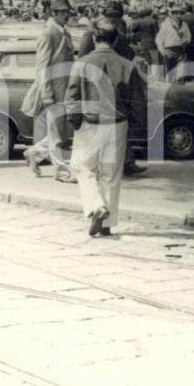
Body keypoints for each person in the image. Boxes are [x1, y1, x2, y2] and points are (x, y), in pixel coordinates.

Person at [65, 17, 145, 237]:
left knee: (81, 166)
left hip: (90, 123)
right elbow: (138, 103)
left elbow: (71, 96)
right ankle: (107, 223)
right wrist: (137, 129)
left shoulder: (81, 63)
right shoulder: (128, 65)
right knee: (111, 174)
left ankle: (95, 206)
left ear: (95, 37)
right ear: (116, 39)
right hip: (118, 124)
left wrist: (75, 122)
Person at [78, 0, 144, 176]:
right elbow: (82, 61)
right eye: (110, 16)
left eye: (117, 16)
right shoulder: (92, 34)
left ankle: (126, 161)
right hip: (96, 87)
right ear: (103, 15)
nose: (113, 19)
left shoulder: (119, 34)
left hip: (117, 87)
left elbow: (127, 55)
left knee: (121, 122)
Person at [23, 0, 76, 183]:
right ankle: (61, 171)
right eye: (62, 13)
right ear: (53, 13)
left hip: (65, 89)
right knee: (55, 131)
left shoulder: (64, 32)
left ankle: (33, 153)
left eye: (68, 12)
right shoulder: (48, 34)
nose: (67, 16)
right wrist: (46, 94)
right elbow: (42, 67)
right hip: (53, 91)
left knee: (59, 131)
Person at [155, 4, 191, 79]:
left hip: (180, 51)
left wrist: (186, 42)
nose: (178, 15)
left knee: (181, 75)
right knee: (169, 74)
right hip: (169, 51)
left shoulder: (184, 24)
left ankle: (180, 89)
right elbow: (159, 38)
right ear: (172, 14)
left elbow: (188, 36)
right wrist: (162, 51)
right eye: (176, 13)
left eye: (180, 13)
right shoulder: (166, 24)